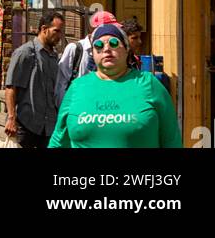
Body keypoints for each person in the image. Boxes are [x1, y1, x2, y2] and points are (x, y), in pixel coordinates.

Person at [49, 21, 182, 149]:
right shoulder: (77, 87)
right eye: (99, 45)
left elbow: (171, 140)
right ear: (93, 54)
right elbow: (58, 140)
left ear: (126, 49)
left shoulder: (149, 84)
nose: (106, 49)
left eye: (113, 43)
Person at [4, 9, 65, 149]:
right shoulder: (25, 53)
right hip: (26, 125)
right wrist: (11, 118)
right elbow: (10, 88)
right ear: (44, 29)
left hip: (48, 126)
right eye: (56, 31)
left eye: (61, 31)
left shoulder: (54, 56)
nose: (60, 36)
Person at [55, 9, 118, 106]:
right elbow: (61, 85)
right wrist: (66, 113)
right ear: (95, 30)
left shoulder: (111, 51)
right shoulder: (75, 49)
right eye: (109, 30)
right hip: (77, 109)